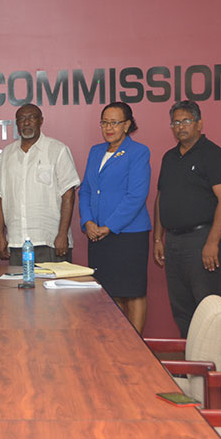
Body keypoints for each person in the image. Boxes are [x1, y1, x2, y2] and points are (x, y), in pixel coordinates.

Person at [153, 100, 221, 337]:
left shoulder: (213, 155)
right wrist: (158, 239)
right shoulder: (169, 157)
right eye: (176, 122)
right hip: (174, 241)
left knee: (207, 305)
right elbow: (161, 198)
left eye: (186, 121)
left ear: (199, 123)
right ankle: (193, 366)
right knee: (181, 307)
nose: (181, 126)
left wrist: (212, 242)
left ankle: (211, 365)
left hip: (203, 239)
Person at [78, 102, 151, 333]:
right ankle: (115, 342)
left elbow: (136, 196)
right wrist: (88, 221)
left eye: (115, 122)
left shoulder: (138, 152)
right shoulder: (96, 151)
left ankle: (136, 346)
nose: (108, 128)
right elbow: (86, 190)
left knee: (132, 291)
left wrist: (109, 226)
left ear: (127, 125)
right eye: (105, 122)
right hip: (97, 234)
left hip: (128, 234)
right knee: (109, 291)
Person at [0, 103, 80, 264]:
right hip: (17, 241)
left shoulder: (57, 150)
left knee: (53, 289)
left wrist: (62, 234)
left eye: (31, 117)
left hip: (50, 240)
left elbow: (69, 194)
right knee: (18, 288)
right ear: (17, 124)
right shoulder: (6, 154)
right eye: (22, 119)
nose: (26, 122)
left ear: (41, 121)